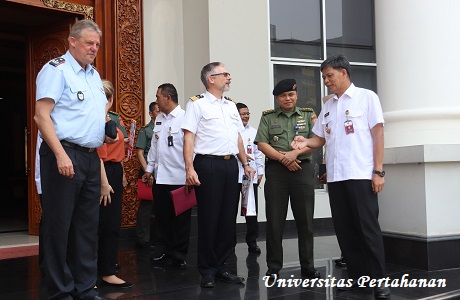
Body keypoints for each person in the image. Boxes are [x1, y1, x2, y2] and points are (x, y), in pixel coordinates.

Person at [290, 54, 390, 299]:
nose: (326, 81)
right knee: (345, 231)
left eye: (329, 76)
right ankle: (358, 280)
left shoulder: (367, 98)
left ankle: (379, 281)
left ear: (344, 73)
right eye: (324, 77)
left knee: (368, 230)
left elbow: (378, 135)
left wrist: (378, 171)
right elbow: (320, 138)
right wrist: (304, 142)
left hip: (360, 175)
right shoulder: (329, 106)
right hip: (336, 178)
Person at [34, 19, 109, 300]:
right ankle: (60, 290)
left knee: (87, 228)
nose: (94, 48)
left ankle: (85, 288)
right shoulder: (57, 70)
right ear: (73, 41)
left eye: (98, 45)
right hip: (63, 154)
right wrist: (60, 154)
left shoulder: (93, 76)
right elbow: (42, 116)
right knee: (59, 226)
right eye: (89, 43)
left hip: (90, 157)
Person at [181, 62, 256, 288]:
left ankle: (223, 266)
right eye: (225, 74)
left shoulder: (232, 106)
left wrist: (245, 163)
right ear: (211, 78)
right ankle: (207, 270)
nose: (229, 77)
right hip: (208, 164)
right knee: (209, 218)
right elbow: (189, 138)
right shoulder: (197, 105)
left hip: (230, 165)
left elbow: (238, 138)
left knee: (226, 218)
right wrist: (189, 168)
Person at [254, 78, 321, 281]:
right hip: (276, 172)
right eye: (283, 96)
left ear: (297, 95)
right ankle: (273, 266)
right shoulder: (268, 117)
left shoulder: (309, 115)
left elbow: (317, 140)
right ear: (277, 98)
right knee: (275, 221)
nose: (288, 98)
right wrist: (285, 158)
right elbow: (262, 144)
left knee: (306, 221)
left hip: (303, 169)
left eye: (291, 94)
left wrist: (294, 155)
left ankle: (308, 266)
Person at [142, 83, 191, 269]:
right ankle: (167, 251)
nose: (156, 101)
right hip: (160, 178)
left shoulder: (186, 118)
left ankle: (179, 255)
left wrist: (190, 172)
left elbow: (191, 148)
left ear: (168, 97)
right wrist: (149, 169)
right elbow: (155, 147)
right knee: (163, 219)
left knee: (181, 221)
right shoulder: (160, 119)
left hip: (179, 178)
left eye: (158, 96)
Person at [96, 79, 133, 289]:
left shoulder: (112, 118)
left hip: (114, 171)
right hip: (99, 173)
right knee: (94, 226)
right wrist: (104, 183)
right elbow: (97, 154)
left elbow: (115, 150)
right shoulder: (92, 119)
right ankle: (89, 273)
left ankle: (107, 271)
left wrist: (121, 175)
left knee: (111, 224)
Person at [235, 102, 264, 254]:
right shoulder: (231, 131)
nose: (246, 116)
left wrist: (260, 172)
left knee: (251, 211)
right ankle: (229, 242)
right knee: (230, 211)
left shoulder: (253, 132)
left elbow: (258, 154)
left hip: (250, 176)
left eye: (247, 113)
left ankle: (252, 241)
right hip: (234, 176)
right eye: (242, 114)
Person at [135, 101, 161, 249]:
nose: (160, 113)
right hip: (147, 172)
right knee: (146, 206)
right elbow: (139, 153)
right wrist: (147, 172)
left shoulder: (164, 128)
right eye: (157, 111)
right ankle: (143, 239)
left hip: (162, 172)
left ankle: (158, 238)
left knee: (160, 206)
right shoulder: (146, 130)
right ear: (151, 113)